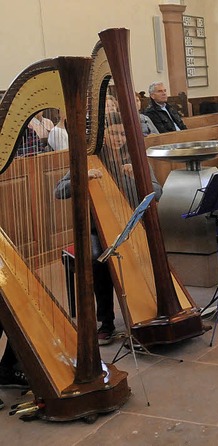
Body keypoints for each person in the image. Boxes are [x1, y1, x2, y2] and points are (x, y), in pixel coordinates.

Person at [54, 112, 162, 344]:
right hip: (97, 229)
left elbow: (157, 191)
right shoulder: (90, 157)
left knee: (153, 249)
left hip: (133, 226)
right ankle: (106, 321)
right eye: (114, 133)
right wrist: (81, 177)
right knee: (97, 257)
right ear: (104, 133)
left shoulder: (136, 156)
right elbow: (59, 191)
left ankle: (149, 309)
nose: (118, 138)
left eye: (123, 134)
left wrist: (138, 177)